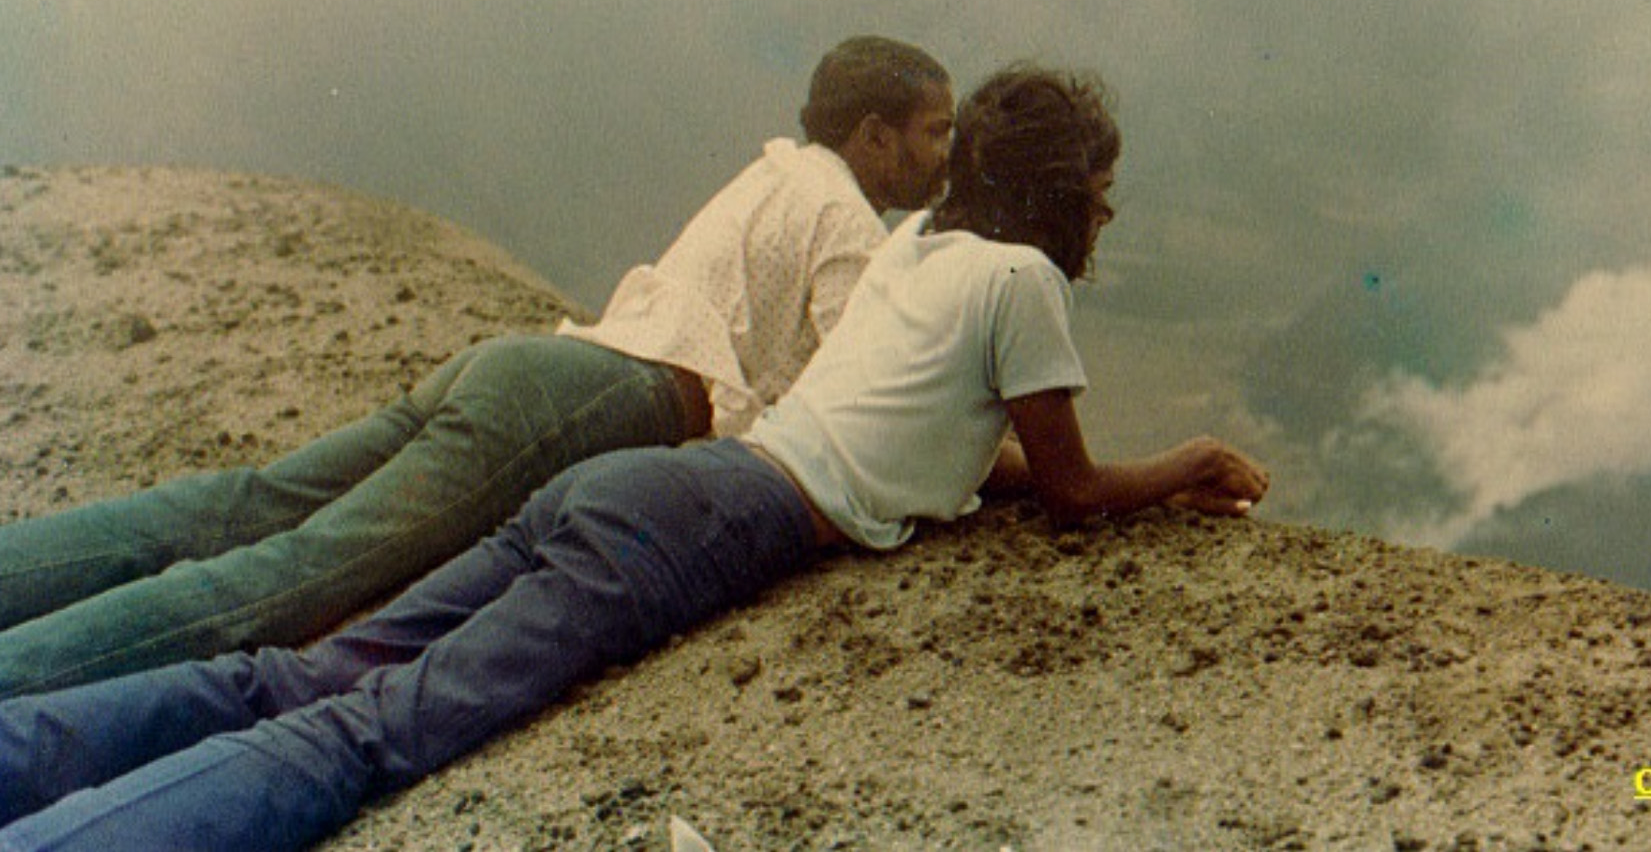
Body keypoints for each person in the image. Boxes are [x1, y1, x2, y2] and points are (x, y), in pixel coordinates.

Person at [0, 64, 1270, 852]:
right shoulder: (1025, 282)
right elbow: (1068, 487)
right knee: (371, 737)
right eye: (1097, 191)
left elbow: (928, 444)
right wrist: (1193, 462)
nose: (1103, 214)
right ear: (1058, 197)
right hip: (693, 524)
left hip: (627, 485)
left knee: (301, 673)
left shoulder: (922, 256)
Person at [0, 36, 954, 698]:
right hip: (602, 397)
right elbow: (853, 396)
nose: (941, 155)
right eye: (932, 130)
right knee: (294, 575)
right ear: (872, 133)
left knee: (245, 505)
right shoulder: (844, 219)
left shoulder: (783, 171)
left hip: (534, 366)